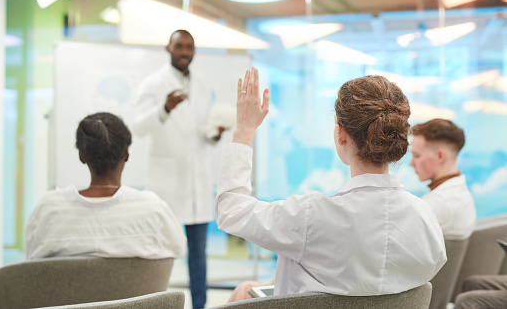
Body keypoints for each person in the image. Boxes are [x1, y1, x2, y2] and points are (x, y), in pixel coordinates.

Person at [215, 69, 447, 296]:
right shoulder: (425, 219)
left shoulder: (311, 216)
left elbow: (230, 210)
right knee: (246, 290)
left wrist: (244, 129)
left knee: (244, 291)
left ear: (341, 133)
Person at [133, 30, 223, 309]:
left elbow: (200, 130)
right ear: (168, 48)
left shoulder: (202, 85)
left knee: (198, 254)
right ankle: (152, 303)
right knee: (159, 252)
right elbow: (138, 126)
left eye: (189, 47)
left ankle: (200, 305)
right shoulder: (153, 84)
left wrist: (214, 135)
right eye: (179, 46)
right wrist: (165, 108)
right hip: (166, 185)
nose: (185, 51)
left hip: (196, 184)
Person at [25, 112, 186, 260]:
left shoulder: (49, 208)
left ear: (82, 156)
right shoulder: (152, 208)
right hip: (135, 293)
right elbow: (177, 249)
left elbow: (32, 257)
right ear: (126, 154)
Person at [410, 119, 476, 240]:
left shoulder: (437, 204)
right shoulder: (463, 195)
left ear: (440, 156)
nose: (411, 163)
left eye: (417, 156)